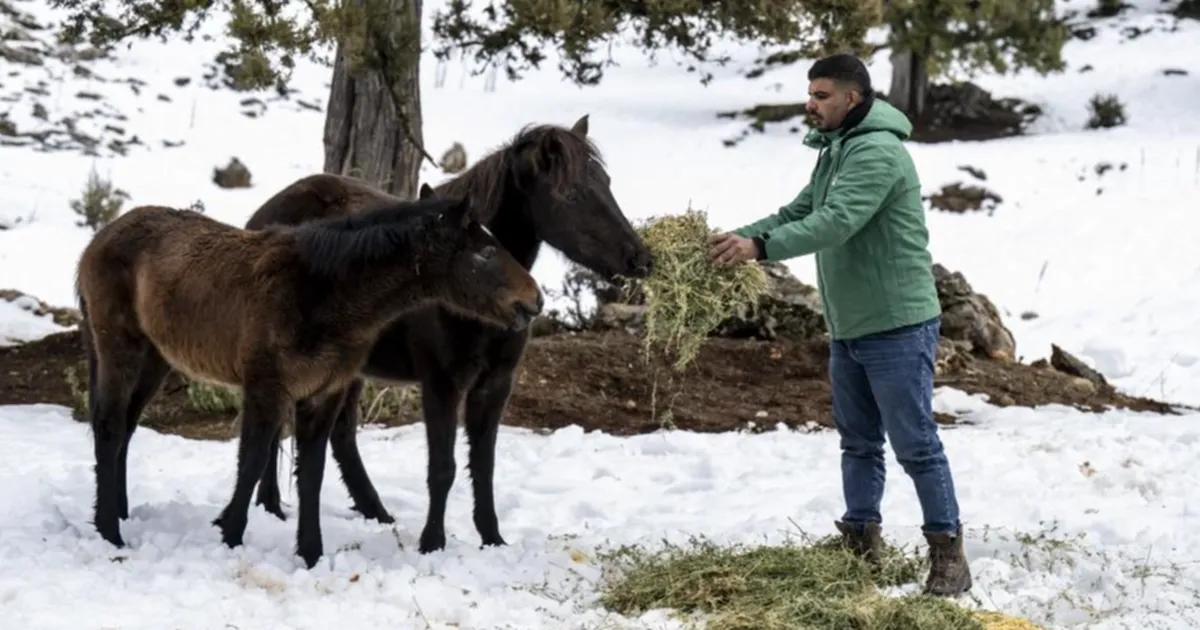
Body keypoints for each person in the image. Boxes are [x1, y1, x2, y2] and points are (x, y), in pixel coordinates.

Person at [707, 52, 971, 597]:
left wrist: (758, 249)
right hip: (850, 325)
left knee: (916, 443)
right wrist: (738, 238)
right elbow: (797, 211)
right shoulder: (838, 150)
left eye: (821, 95)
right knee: (857, 442)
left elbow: (836, 221)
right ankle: (860, 541)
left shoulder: (876, 151)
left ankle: (948, 555)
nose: (810, 103)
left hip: (896, 323)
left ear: (853, 98)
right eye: (810, 93)